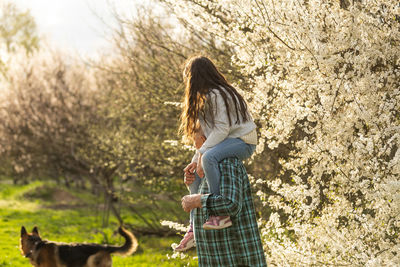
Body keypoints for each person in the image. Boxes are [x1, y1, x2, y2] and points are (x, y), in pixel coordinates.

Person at [178, 55, 258, 231]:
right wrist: (194, 159)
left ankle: (220, 214)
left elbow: (222, 129)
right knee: (194, 174)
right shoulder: (206, 100)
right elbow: (207, 138)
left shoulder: (219, 94)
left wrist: (201, 155)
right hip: (226, 141)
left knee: (208, 158)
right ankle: (193, 227)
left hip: (243, 141)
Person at [181, 158, 267, 266]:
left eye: (195, 140)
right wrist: (193, 185)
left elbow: (231, 203)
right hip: (216, 258)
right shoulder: (206, 163)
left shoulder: (226, 163)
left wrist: (197, 200)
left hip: (235, 258)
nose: (195, 145)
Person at [174, 122, 206, 252]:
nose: (193, 145)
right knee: (193, 175)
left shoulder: (218, 158)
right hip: (202, 220)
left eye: (194, 141)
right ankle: (192, 227)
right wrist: (190, 181)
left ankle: (193, 228)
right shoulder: (200, 154)